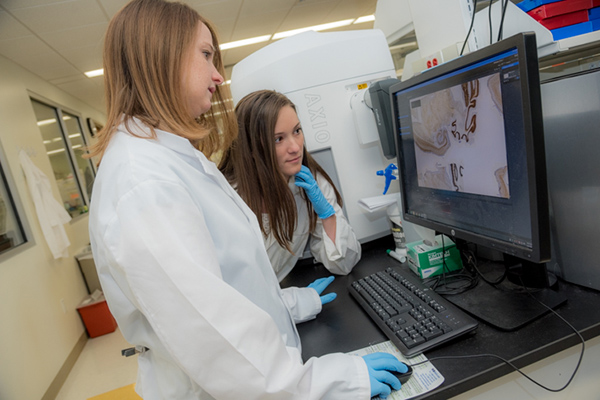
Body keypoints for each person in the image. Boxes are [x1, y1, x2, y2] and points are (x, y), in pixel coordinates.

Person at [88, 0, 407, 399]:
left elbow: (229, 288)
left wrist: (294, 303)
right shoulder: (144, 181)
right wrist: (335, 381)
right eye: (206, 54)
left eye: (297, 132)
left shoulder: (169, 160)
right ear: (163, 57)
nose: (217, 75)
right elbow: (213, 337)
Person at [219, 90, 361, 281]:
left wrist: (327, 215)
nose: (295, 147)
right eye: (278, 139)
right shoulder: (227, 197)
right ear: (252, 148)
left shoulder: (311, 183)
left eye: (297, 131)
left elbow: (344, 264)